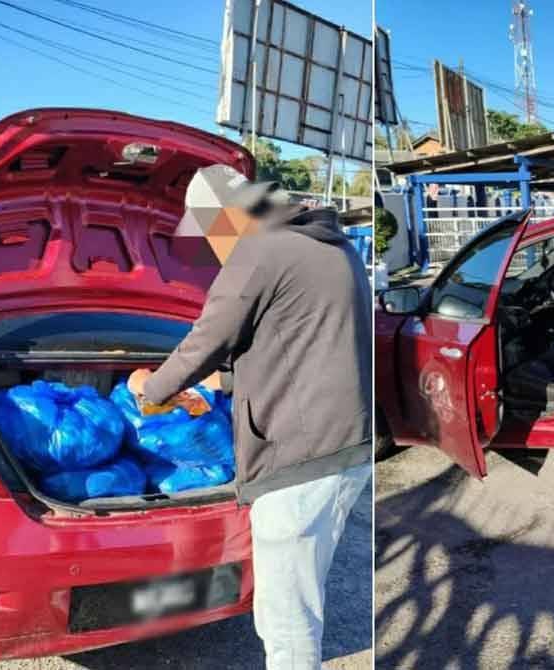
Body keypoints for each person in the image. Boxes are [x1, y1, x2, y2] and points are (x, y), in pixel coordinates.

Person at [128, 165, 372, 669]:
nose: (212, 248)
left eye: (208, 231)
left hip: (299, 460)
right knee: (304, 597)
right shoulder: (331, 246)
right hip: (344, 450)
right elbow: (301, 347)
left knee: (286, 624)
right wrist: (216, 386)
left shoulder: (261, 250)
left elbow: (207, 337)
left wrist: (150, 392)